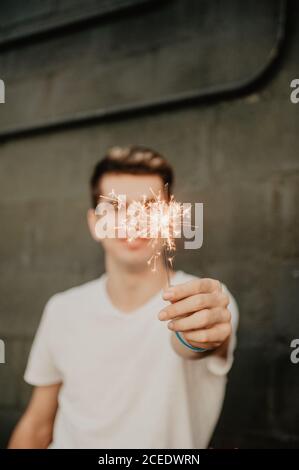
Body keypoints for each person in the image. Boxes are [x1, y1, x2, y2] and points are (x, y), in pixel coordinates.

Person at [9, 145, 238, 449]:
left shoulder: (203, 301)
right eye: (116, 208)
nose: (134, 221)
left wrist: (198, 336)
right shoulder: (62, 310)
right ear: (94, 223)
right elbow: (37, 425)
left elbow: (193, 341)